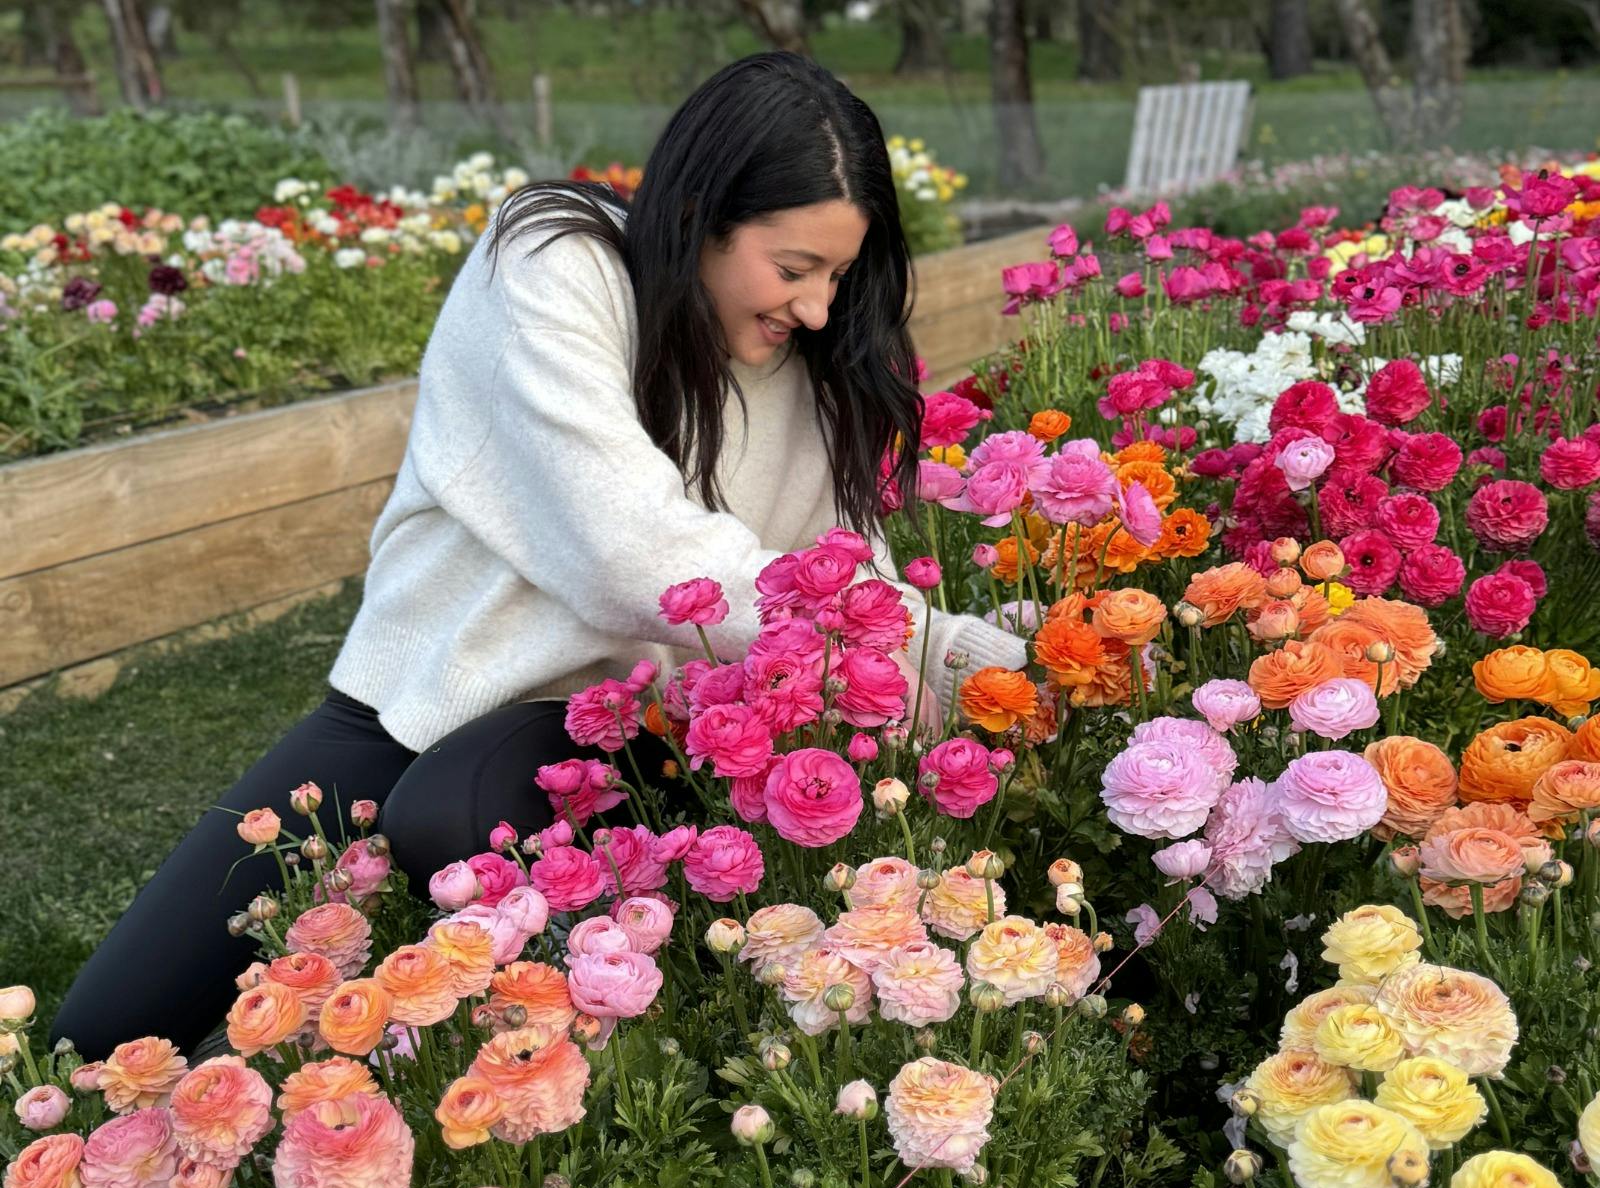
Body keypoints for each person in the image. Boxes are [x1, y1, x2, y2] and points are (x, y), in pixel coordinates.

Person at [52, 50, 1027, 1060]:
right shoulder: (555, 264)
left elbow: (842, 581)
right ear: (697, 211)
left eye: (839, 273)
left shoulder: (819, 361)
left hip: (649, 740)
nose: (820, 307)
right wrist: (905, 646)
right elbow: (630, 546)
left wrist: (974, 666)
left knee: (455, 815)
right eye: (792, 270)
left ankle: (543, 1062)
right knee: (96, 1041)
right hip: (424, 695)